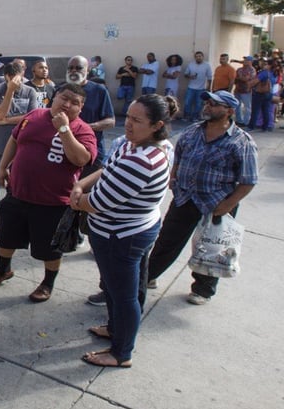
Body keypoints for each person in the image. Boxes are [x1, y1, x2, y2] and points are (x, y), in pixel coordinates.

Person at [70, 94, 175, 368]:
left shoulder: (142, 160)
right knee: (123, 289)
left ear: (157, 125)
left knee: (124, 295)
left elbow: (97, 203)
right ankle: (116, 329)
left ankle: (121, 352)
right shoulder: (135, 146)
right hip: (132, 228)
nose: (128, 124)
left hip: (122, 236)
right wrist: (81, 185)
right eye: (128, 116)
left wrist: (76, 199)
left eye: (137, 120)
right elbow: (106, 170)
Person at [0, 83, 98, 301]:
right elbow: (15, 139)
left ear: (81, 108)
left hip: (53, 203)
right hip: (17, 193)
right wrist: (2, 167)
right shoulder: (34, 115)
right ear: (53, 98)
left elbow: (81, 159)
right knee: (6, 238)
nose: (67, 105)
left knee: (50, 249)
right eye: (63, 98)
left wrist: (64, 129)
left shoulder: (82, 130)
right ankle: (3, 270)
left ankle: (48, 282)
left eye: (74, 103)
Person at [147, 90, 258, 305]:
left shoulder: (241, 142)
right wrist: (174, 178)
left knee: (212, 249)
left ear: (230, 111)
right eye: (207, 102)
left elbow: (248, 180)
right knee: (167, 240)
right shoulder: (191, 132)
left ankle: (203, 289)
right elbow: (178, 159)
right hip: (185, 198)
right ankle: (149, 276)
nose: (207, 106)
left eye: (214, 104)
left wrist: (227, 204)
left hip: (217, 202)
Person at [0, 61, 39, 239]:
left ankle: (19, 223)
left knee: (19, 187)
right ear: (6, 77)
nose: (17, 82)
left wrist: (5, 121)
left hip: (21, 147)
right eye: (12, 79)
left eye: (18, 79)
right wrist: (10, 91)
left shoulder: (30, 91)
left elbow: (30, 117)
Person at [66, 56, 115, 164]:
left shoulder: (99, 91)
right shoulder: (60, 90)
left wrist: (84, 128)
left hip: (91, 151)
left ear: (87, 70)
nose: (73, 70)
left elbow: (111, 121)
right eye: (70, 68)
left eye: (78, 68)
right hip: (63, 151)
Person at [183, 51, 213, 121]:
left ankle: (195, 117)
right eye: (197, 56)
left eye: (200, 56)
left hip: (201, 88)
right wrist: (190, 76)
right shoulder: (191, 64)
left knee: (198, 104)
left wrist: (208, 88)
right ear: (195, 58)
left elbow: (209, 78)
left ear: (202, 57)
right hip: (191, 87)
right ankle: (186, 116)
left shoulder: (207, 65)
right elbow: (185, 74)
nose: (198, 58)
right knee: (187, 103)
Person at [248, 58, 275, 132]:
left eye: (266, 64)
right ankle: (265, 127)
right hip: (269, 93)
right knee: (266, 110)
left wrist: (249, 85)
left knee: (255, 110)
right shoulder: (273, 73)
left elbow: (256, 81)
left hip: (260, 93)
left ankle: (251, 126)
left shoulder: (264, 73)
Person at [232, 56, 257, 126]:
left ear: (251, 62)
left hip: (246, 90)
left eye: (247, 60)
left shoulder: (252, 70)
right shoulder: (239, 69)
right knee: (237, 106)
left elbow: (247, 79)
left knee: (247, 107)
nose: (245, 61)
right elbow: (235, 79)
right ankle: (239, 120)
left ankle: (246, 122)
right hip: (237, 90)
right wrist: (240, 78)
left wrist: (240, 78)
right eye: (245, 60)